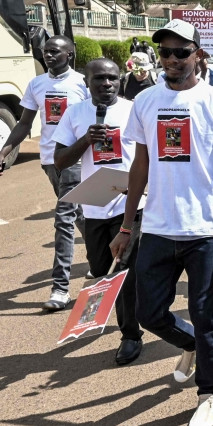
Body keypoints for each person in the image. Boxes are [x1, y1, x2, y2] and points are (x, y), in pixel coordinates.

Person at [109, 18, 213, 426]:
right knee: (148, 312)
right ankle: (189, 346)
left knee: (204, 314)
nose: (171, 59)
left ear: (198, 55)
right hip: (157, 226)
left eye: (180, 51)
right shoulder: (145, 102)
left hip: (204, 229)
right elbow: (141, 165)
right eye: (164, 52)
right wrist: (127, 225)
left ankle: (211, 393)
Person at [52, 58, 143, 364]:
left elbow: (151, 156)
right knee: (102, 270)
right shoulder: (74, 114)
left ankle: (131, 335)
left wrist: (141, 187)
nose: (107, 84)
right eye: (99, 79)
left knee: (124, 273)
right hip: (95, 207)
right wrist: (85, 140)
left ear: (121, 80)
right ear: (86, 83)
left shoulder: (133, 110)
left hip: (131, 205)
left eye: (113, 78)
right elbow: (60, 160)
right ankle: (129, 309)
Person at [0, 35, 89, 309]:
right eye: (46, 51)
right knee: (79, 215)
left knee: (63, 218)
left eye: (55, 51)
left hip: (76, 160)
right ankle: (100, 259)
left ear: (69, 54)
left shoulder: (82, 83)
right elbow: (24, 123)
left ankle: (60, 288)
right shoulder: (36, 84)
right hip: (50, 160)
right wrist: (4, 151)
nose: (48, 55)